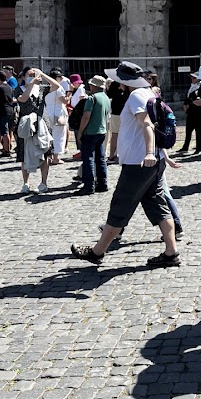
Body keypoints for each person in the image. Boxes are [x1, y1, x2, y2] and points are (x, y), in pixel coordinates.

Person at [70, 61, 180, 268]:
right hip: (152, 162)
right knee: (158, 205)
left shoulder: (136, 96)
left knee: (120, 206)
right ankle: (171, 252)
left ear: (124, 81)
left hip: (138, 163)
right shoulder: (149, 92)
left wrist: (149, 153)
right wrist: (159, 155)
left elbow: (147, 124)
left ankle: (97, 252)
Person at [16, 67, 63, 194]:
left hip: (42, 123)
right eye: (29, 75)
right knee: (24, 154)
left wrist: (43, 74)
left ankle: (43, 183)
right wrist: (31, 84)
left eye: (34, 74)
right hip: (26, 125)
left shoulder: (41, 89)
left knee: (45, 153)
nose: (32, 77)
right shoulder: (19, 89)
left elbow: (56, 86)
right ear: (23, 76)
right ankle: (26, 183)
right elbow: (23, 99)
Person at [76, 75, 111, 196]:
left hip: (90, 132)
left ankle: (89, 185)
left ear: (93, 86)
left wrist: (80, 131)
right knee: (100, 159)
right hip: (101, 131)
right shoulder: (106, 98)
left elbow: (86, 116)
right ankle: (103, 183)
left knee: (88, 159)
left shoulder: (92, 98)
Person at [45, 68, 69, 164]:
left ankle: (49, 156)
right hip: (58, 113)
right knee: (58, 135)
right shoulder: (59, 88)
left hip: (48, 112)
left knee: (49, 135)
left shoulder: (46, 88)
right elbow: (64, 101)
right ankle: (56, 157)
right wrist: (70, 93)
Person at [179, 72, 201, 153]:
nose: (192, 79)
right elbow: (188, 97)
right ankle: (185, 147)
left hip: (198, 112)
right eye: (191, 78)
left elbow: (200, 99)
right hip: (190, 111)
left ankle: (198, 148)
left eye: (194, 78)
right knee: (188, 130)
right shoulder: (191, 87)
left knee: (198, 131)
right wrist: (185, 104)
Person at [106, 80, 127, 162]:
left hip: (126, 113)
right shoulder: (115, 83)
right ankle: (112, 155)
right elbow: (109, 94)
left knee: (125, 135)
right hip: (116, 113)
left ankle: (122, 154)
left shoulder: (129, 83)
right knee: (115, 135)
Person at [68, 74, 87, 158]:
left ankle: (82, 150)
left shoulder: (80, 90)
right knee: (76, 131)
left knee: (79, 131)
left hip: (78, 113)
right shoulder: (77, 90)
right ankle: (81, 150)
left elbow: (82, 101)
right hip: (75, 111)